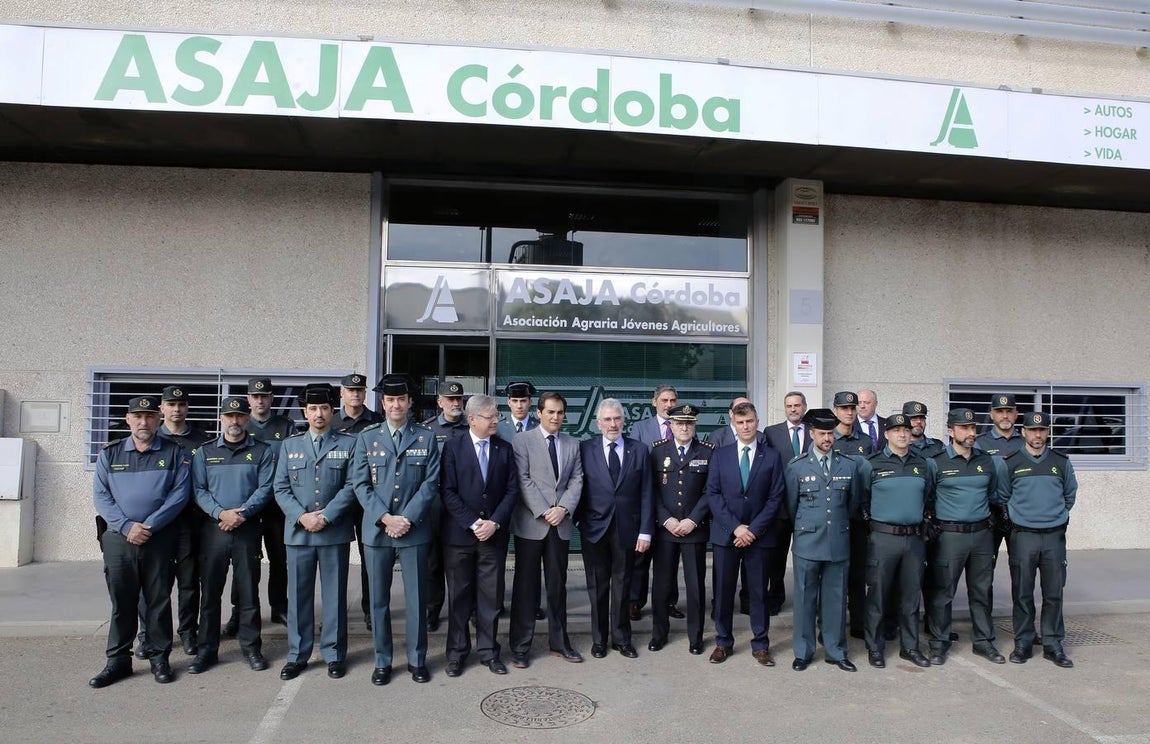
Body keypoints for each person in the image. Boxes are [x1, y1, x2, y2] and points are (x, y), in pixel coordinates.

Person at [89, 395, 191, 688]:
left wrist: (150, 525)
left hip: (159, 538)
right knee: (122, 602)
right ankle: (118, 661)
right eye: (138, 416)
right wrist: (126, 526)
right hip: (119, 540)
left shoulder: (173, 453)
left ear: (158, 419)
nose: (144, 422)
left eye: (149, 417)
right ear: (128, 419)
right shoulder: (110, 453)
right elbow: (101, 497)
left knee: (158, 601)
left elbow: (179, 495)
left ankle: (160, 659)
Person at [351, 373, 442, 685]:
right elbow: (360, 485)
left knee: (416, 600)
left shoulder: (426, 436)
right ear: (383, 403)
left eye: (401, 399)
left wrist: (407, 518)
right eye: (390, 400)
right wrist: (385, 518)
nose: (396, 405)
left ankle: (417, 659)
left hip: (413, 530)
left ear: (409, 402)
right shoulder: (366, 437)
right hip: (378, 531)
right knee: (378, 601)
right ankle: (382, 660)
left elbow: (431, 483)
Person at [273, 383, 358, 681]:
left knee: (335, 596)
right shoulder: (290, 445)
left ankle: (334, 654)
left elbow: (352, 485)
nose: (318, 414)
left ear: (333, 411)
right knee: (299, 597)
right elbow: (280, 487)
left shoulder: (349, 444)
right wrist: (302, 517)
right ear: (305, 412)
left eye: (324, 408)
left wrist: (327, 516)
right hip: (299, 532)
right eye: (312, 409)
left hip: (333, 531)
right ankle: (297, 655)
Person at [188, 396, 275, 674]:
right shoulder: (205, 452)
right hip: (214, 531)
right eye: (229, 416)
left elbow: (266, 488)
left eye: (239, 416)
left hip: (247, 529)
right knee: (210, 593)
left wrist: (242, 513)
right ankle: (206, 651)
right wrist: (220, 513)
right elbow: (199, 490)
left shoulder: (262, 451)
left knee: (249, 592)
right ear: (221, 419)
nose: (234, 421)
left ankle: (251, 647)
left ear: (247, 418)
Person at [440, 394, 520, 677]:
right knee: (459, 598)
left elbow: (512, 491)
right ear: (472, 419)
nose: (496, 420)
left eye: (496, 415)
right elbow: (447, 491)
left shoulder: (504, 449)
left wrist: (495, 522)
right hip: (460, 537)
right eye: (490, 416)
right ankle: (457, 653)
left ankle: (488, 651)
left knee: (490, 598)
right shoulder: (453, 448)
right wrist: (473, 522)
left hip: (493, 537)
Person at [705, 401, 785, 666]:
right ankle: (722, 642)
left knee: (758, 593)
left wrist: (752, 529)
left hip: (759, 538)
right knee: (724, 592)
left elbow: (775, 498)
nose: (746, 426)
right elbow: (713, 495)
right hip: (727, 536)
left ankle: (761, 645)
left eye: (749, 421)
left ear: (757, 421)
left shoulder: (771, 456)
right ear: (734, 424)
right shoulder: (720, 455)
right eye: (740, 422)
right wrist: (736, 527)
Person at [508, 391, 585, 668]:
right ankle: (519, 646)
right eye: (550, 412)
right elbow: (523, 479)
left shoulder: (572, 443)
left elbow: (577, 479)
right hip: (532, 524)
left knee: (557, 587)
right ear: (538, 413)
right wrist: (544, 510)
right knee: (525, 588)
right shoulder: (522, 441)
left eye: (560, 412)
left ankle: (559, 643)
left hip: (560, 525)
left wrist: (562, 509)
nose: (555, 417)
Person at [785, 408, 863, 672]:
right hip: (807, 543)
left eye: (830, 433)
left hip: (838, 543)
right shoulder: (796, 466)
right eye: (822, 433)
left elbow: (853, 506)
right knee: (805, 599)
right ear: (811, 434)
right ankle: (803, 651)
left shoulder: (848, 465)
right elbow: (790, 507)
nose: (827, 438)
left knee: (836, 600)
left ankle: (835, 650)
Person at [925, 408, 1005, 666]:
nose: (971, 433)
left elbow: (995, 495)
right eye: (964, 428)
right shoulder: (936, 462)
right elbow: (927, 497)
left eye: (973, 428)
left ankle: (984, 642)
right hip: (950, 537)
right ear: (951, 431)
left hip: (981, 536)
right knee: (943, 592)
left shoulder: (987, 462)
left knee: (982, 591)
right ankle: (939, 644)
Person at [998, 411, 1077, 668]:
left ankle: (1053, 643)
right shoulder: (1009, 462)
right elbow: (1002, 496)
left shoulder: (1061, 461)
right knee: (1022, 592)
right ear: (1024, 432)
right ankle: (1023, 642)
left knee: (1054, 592)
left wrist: (1056, 516)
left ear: (1047, 433)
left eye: (1042, 430)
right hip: (1023, 536)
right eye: (1033, 430)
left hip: (1054, 536)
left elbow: (1069, 495)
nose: (1038, 435)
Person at [857, 412, 936, 669]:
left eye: (906, 430)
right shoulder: (872, 464)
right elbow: (861, 499)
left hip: (914, 541)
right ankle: (875, 647)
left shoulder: (924, 464)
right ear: (886, 434)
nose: (903, 434)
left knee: (911, 598)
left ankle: (910, 647)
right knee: (878, 597)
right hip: (883, 539)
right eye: (897, 430)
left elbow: (929, 496)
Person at [577, 398, 653, 659]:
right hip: (594, 529)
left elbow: (647, 493)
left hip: (627, 529)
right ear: (598, 423)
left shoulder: (639, 450)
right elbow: (578, 488)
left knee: (623, 585)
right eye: (607, 419)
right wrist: (578, 520)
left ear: (624, 420)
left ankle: (622, 639)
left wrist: (645, 531)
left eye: (617, 418)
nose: (613, 424)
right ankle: (599, 640)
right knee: (597, 587)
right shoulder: (584, 449)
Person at [147, 386, 212, 658]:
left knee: (188, 581)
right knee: (153, 582)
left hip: (190, 522)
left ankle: (188, 631)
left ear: (187, 408)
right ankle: (148, 634)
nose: (176, 409)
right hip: (157, 524)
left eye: (181, 404)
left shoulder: (201, 440)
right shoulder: (151, 437)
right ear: (161, 408)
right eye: (171, 404)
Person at [648, 403, 713, 655]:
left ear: (694, 425)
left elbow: (710, 490)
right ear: (671, 425)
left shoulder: (707, 451)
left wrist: (693, 520)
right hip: (666, 531)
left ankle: (695, 638)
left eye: (689, 423)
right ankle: (658, 634)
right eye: (679, 423)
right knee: (662, 586)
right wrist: (667, 520)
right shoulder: (657, 451)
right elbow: (651, 490)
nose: (684, 427)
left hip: (694, 530)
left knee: (695, 587)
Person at [242, 376, 297, 630]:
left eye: (264, 396)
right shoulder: (240, 425)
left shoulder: (285, 427)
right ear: (248, 399)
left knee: (279, 558)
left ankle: (279, 607)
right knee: (245, 561)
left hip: (277, 506)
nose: (260, 400)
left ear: (271, 398)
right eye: (255, 396)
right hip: (247, 506)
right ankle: (240, 611)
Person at [331, 372, 383, 631]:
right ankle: (334, 613)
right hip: (338, 500)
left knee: (370, 558)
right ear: (341, 393)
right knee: (335, 561)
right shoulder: (331, 422)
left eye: (360, 390)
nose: (355, 394)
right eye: (350, 390)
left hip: (367, 500)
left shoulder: (376, 421)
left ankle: (371, 610)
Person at [628, 384, 682, 621]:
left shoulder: (683, 425)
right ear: (654, 402)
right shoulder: (640, 428)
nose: (669, 405)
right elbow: (633, 464)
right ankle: (635, 602)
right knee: (640, 558)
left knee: (668, 559)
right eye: (664, 400)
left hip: (673, 504)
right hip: (646, 502)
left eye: (672, 400)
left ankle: (669, 602)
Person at [422, 379, 469, 633]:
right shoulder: (428, 430)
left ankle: (466, 608)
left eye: (458, 399)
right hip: (437, 504)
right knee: (433, 561)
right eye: (450, 399)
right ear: (439, 402)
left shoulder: (471, 426)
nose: (454, 403)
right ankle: (432, 609)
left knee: (463, 560)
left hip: (465, 504)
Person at [762, 390, 810, 615]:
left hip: (808, 506)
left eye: (797, 405)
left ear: (804, 406)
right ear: (785, 408)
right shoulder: (771, 433)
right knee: (777, 557)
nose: (793, 409)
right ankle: (776, 596)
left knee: (807, 556)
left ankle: (807, 597)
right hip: (780, 507)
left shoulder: (815, 431)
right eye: (789, 405)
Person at [831, 391, 873, 639]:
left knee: (858, 574)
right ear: (835, 410)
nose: (849, 412)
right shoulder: (827, 439)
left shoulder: (866, 441)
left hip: (858, 519)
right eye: (844, 408)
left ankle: (858, 622)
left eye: (852, 408)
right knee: (834, 574)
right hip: (834, 517)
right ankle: (831, 624)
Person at [976, 393, 1025, 570]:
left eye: (1008, 411)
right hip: (990, 514)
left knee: (1021, 567)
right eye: (999, 411)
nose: (1004, 415)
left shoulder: (1026, 443)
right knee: (985, 568)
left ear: (1016, 414)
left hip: (1019, 514)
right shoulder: (980, 444)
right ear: (991, 414)